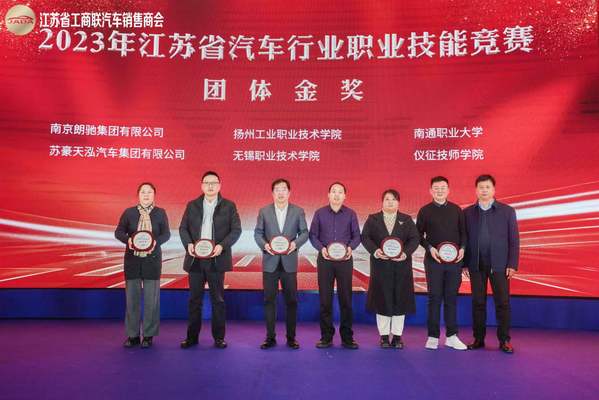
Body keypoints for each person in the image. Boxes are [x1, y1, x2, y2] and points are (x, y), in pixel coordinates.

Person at [179, 171, 241, 349]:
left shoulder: (229, 206)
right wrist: (188, 244)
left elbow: (236, 230)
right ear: (202, 185)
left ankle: (219, 338)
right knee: (194, 301)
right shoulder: (192, 205)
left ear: (219, 185)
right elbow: (183, 228)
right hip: (195, 260)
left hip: (217, 260)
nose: (210, 186)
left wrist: (222, 246)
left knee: (218, 301)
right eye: (207, 182)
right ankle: (192, 337)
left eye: (214, 183)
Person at [463, 174, 519, 354]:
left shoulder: (507, 211)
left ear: (494, 190)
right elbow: (464, 240)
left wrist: (512, 263)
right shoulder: (468, 213)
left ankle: (504, 340)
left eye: (487, 187)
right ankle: (478, 339)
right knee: (478, 303)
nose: (484, 190)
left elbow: (514, 240)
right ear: (476, 190)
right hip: (476, 265)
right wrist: (464, 264)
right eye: (481, 187)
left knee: (502, 303)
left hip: (500, 265)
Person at [254, 178, 309, 350]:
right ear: (272, 193)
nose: (281, 192)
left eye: (284, 189)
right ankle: (270, 337)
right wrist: (265, 246)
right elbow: (258, 233)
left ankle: (291, 338)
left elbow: (304, 233)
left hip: (289, 262)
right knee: (269, 300)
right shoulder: (264, 211)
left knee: (291, 301)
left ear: (289, 192)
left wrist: (295, 244)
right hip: (270, 262)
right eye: (277, 189)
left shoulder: (298, 211)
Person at [361, 189, 420, 349]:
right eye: (387, 199)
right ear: (382, 202)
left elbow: (415, 239)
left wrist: (405, 253)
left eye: (393, 199)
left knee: (400, 300)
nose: (390, 202)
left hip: (401, 266)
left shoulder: (406, 220)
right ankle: (384, 336)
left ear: (398, 202)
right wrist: (375, 251)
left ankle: (397, 336)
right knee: (382, 300)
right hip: (381, 266)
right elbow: (365, 237)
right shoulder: (373, 219)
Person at [115, 182, 170, 349]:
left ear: (154, 195)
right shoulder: (129, 212)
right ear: (138, 195)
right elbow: (118, 232)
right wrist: (128, 240)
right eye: (143, 192)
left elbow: (166, 234)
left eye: (149, 192)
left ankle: (148, 335)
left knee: (151, 300)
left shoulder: (160, 213)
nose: (146, 195)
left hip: (152, 260)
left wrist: (155, 242)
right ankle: (132, 335)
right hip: (132, 260)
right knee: (132, 299)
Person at [416, 176, 467, 350]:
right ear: (431, 191)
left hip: (454, 262)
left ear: (448, 190)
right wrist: (430, 248)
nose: (439, 190)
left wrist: (463, 248)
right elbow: (418, 235)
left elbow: (464, 233)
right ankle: (433, 336)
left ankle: (452, 336)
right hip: (433, 261)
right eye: (436, 188)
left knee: (451, 298)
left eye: (443, 187)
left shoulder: (456, 210)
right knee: (434, 297)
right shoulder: (424, 211)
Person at [309, 182, 361, 349]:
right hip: (325, 260)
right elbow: (313, 235)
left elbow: (357, 236)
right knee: (325, 300)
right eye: (333, 191)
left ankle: (347, 337)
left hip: (345, 261)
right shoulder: (319, 213)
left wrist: (350, 248)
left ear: (345, 196)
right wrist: (321, 249)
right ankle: (326, 336)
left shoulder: (351, 214)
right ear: (328, 195)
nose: (336, 195)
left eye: (340, 192)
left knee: (346, 299)